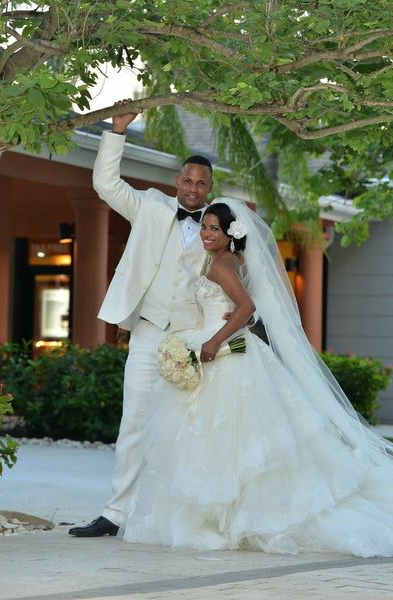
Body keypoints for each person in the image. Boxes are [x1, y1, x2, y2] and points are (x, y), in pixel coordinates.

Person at [121, 198, 393, 557]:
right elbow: (246, 316)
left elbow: (247, 307)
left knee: (225, 438)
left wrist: (215, 340)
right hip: (235, 349)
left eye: (214, 228)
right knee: (229, 440)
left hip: (224, 356)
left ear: (230, 233)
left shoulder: (221, 265)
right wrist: (221, 332)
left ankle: (225, 518)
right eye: (204, 226)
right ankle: (227, 516)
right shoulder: (231, 260)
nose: (206, 233)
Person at [69, 100, 215, 537]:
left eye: (200, 183)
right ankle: (115, 513)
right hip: (150, 332)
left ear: (209, 187)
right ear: (177, 181)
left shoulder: (220, 223)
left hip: (194, 337)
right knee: (133, 418)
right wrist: (116, 130)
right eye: (186, 179)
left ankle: (184, 511)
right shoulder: (150, 206)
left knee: (193, 425)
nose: (192, 187)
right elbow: (105, 183)